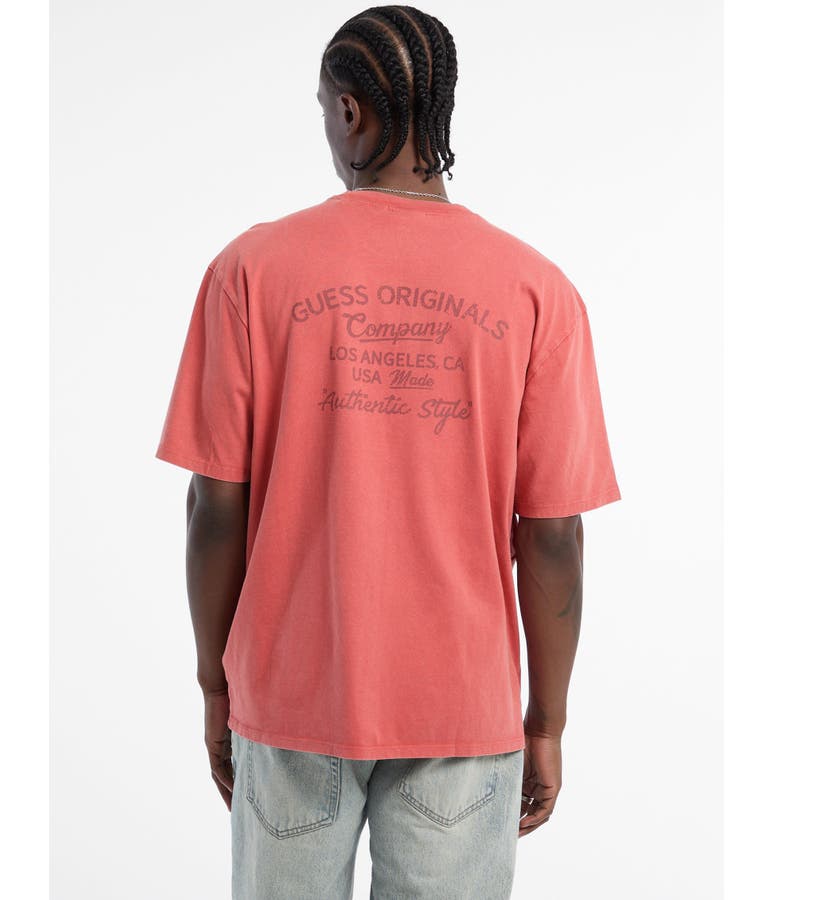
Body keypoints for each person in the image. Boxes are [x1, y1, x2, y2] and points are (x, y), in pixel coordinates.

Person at [155, 5, 621, 898]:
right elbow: (554, 533)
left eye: (323, 109)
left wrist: (216, 685)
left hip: (291, 698)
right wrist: (546, 721)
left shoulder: (249, 271)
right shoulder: (537, 291)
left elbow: (214, 507)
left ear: (350, 111)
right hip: (463, 709)